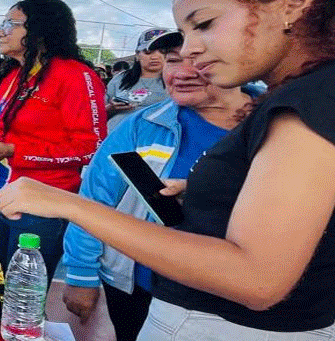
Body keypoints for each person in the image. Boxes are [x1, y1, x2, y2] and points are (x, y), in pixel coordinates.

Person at [0, 0, 335, 339]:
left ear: (295, 4)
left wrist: (68, 204)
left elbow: (256, 279)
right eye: (182, 38)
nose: (190, 50)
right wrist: (211, 192)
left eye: (203, 24)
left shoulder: (319, 101)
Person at [62, 31, 257, 341]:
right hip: (140, 286)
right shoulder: (143, 124)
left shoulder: (276, 123)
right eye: (173, 60)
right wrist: (81, 274)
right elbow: (95, 198)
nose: (181, 73)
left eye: (198, 61)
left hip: (234, 294)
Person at [0, 0, 106, 277]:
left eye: (11, 24)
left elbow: (90, 148)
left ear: (40, 30)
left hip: (41, 202)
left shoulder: (75, 76)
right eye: (2, 24)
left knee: (23, 290)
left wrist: (14, 151)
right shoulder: (15, 75)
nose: (1, 31)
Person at [104, 29, 169, 131]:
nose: (155, 57)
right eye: (148, 52)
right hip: (114, 136)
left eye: (163, 51)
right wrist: (111, 108)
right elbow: (96, 114)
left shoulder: (177, 81)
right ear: (137, 55)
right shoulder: (120, 78)